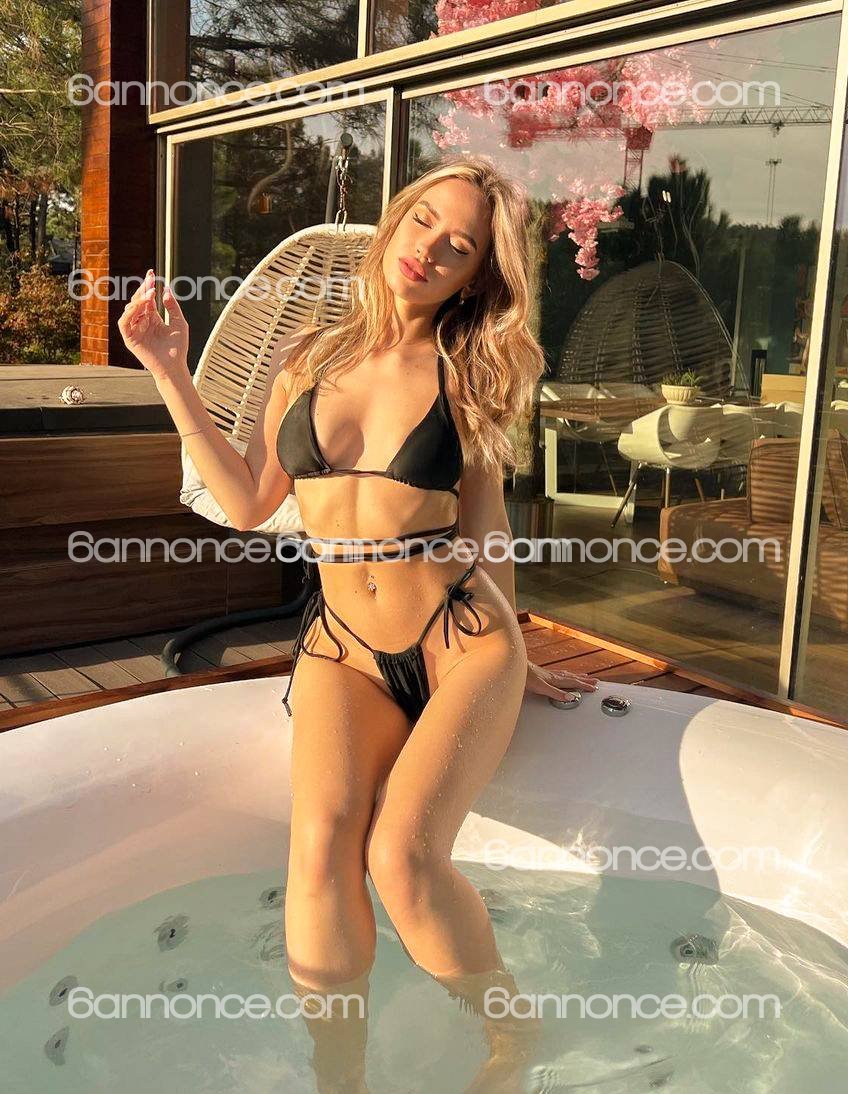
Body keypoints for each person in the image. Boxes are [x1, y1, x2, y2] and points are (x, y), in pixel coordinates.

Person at [119, 153, 599, 1092]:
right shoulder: (309, 356)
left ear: (477, 276)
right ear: (394, 221)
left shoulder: (473, 368)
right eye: (424, 221)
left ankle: (513, 1038)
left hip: (461, 640)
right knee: (318, 848)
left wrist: (522, 652)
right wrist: (170, 370)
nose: (431, 250)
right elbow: (249, 502)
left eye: (460, 246)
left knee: (402, 857)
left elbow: (485, 525)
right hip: (343, 648)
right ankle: (339, 1074)